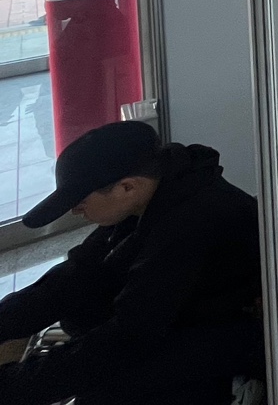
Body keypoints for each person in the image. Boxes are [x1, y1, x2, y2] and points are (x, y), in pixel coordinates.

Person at [0, 121, 264, 405]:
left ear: (127, 187)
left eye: (81, 202)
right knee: (81, 311)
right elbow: (79, 274)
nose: (76, 211)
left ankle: (232, 388)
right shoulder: (154, 189)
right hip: (177, 307)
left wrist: (14, 386)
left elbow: (130, 336)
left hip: (229, 330)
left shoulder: (190, 223)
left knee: (102, 389)